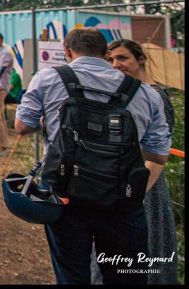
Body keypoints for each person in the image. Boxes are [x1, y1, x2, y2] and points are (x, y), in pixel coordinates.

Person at [15, 28, 171, 285]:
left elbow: (22, 126)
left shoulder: (47, 78)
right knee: (124, 276)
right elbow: (158, 154)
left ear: (66, 51)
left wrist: (50, 122)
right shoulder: (146, 93)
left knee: (71, 273)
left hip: (64, 193)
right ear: (106, 53)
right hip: (121, 197)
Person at [86, 38, 178, 285]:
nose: (116, 64)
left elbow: (158, 157)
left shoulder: (156, 96)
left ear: (140, 59)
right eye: (110, 60)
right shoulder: (122, 92)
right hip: (114, 186)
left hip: (142, 187)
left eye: (122, 58)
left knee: (140, 257)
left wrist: (136, 194)